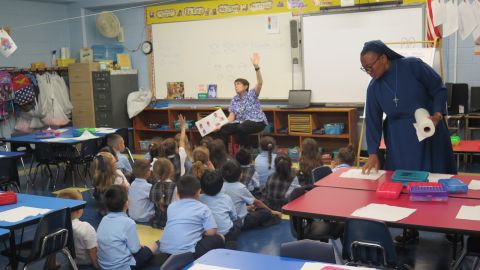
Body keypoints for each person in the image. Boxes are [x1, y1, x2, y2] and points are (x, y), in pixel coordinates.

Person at [360, 40, 457, 243]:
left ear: (384, 58)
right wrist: (373, 153)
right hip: (400, 141)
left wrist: (438, 114)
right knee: (404, 183)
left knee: (439, 177)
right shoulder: (374, 88)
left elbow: (438, 88)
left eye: (370, 66)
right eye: (364, 68)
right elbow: (373, 120)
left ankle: (451, 226)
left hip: (429, 131)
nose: (368, 71)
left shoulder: (412, 66)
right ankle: (408, 228)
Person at [158, 175, 225, 258]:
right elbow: (212, 232)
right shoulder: (203, 208)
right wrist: (202, 232)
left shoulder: (171, 206)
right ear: (198, 192)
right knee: (220, 237)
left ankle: (169, 258)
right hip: (188, 253)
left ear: (178, 194)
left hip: (165, 249)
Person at [97, 185, 157, 269]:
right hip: (123, 267)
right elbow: (135, 250)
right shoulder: (129, 223)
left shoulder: (104, 219)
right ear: (127, 204)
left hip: (103, 266)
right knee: (154, 245)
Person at [219, 53, 267, 148]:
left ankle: (246, 150)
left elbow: (260, 82)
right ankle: (224, 154)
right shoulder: (234, 99)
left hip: (257, 122)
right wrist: (220, 124)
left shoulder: (252, 94)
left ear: (246, 86)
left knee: (241, 128)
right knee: (223, 129)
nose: (236, 86)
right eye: (235, 84)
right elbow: (231, 118)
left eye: (238, 84)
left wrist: (256, 67)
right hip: (241, 123)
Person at [221, 160, 282, 230]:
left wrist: (248, 207)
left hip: (228, 220)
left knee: (254, 208)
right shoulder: (240, 187)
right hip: (242, 222)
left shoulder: (221, 186)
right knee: (266, 212)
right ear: (241, 174)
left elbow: (232, 205)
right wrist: (272, 211)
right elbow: (257, 203)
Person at [57, 190, 99, 269]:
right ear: (79, 210)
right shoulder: (86, 228)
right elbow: (92, 253)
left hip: (72, 263)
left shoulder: (58, 228)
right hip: (87, 265)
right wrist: (98, 267)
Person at [200, 171, 240, 242]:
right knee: (238, 220)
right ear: (221, 185)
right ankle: (229, 242)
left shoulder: (199, 198)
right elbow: (234, 217)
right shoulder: (226, 198)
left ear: (202, 187)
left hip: (208, 236)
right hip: (227, 234)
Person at [149, 158, 177, 229]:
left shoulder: (153, 187)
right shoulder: (175, 187)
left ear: (154, 172)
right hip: (171, 224)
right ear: (171, 171)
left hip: (156, 223)